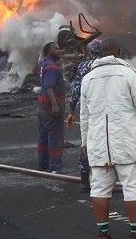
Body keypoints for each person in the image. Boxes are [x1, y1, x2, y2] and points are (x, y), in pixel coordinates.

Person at [80, 38, 136, 239]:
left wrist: (84, 143)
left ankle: (103, 233)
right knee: (134, 188)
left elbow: (84, 116)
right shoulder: (128, 74)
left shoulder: (88, 78)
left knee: (100, 189)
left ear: (99, 54)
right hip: (129, 144)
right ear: (118, 52)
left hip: (99, 145)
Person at [66, 38, 102, 192]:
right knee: (104, 143)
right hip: (103, 110)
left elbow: (75, 91)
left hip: (86, 109)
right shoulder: (106, 66)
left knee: (85, 143)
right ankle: (104, 182)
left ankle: (84, 181)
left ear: (88, 51)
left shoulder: (82, 66)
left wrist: (71, 111)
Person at [37, 42, 66, 173]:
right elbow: (49, 87)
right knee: (55, 136)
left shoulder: (44, 64)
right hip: (51, 106)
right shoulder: (51, 67)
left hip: (43, 106)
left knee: (43, 135)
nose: (59, 51)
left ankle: (43, 165)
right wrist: (55, 105)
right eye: (56, 49)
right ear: (48, 51)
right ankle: (56, 167)